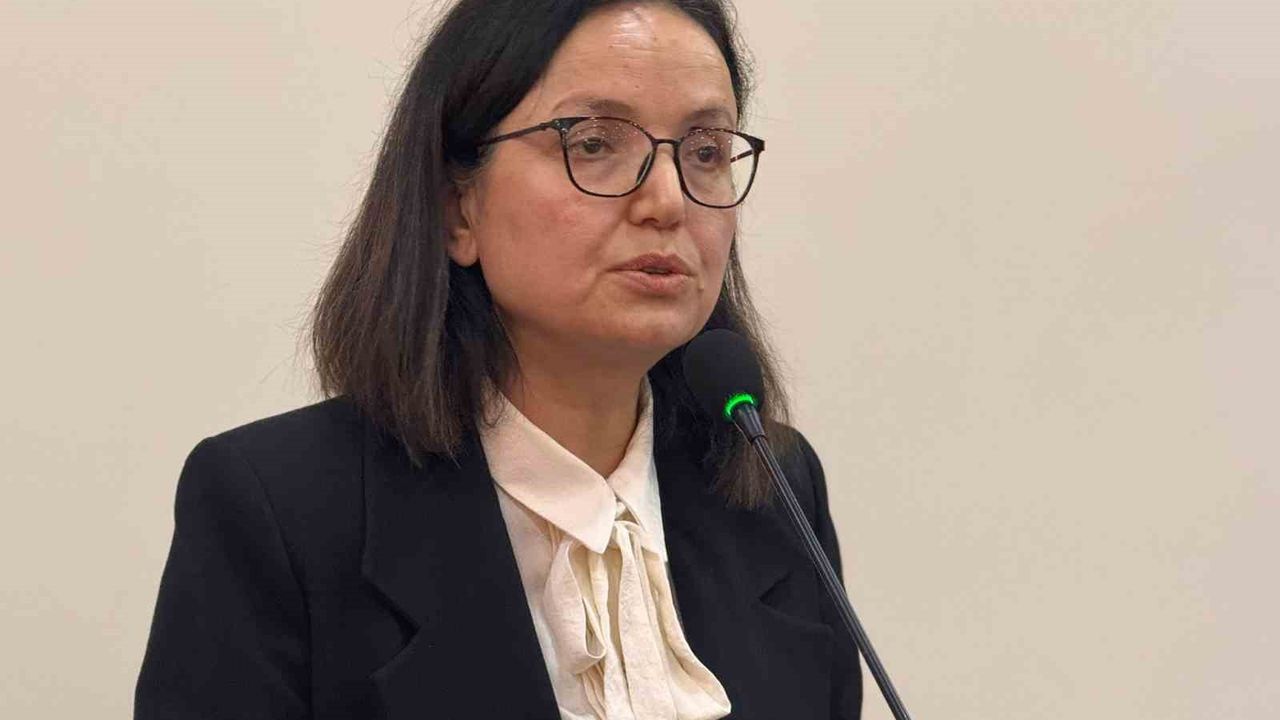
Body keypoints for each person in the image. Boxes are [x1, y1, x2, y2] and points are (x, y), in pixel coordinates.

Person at [134, 1, 861, 718]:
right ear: (459, 208)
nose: (667, 201)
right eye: (595, 143)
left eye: (705, 152)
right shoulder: (279, 513)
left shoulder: (775, 488)